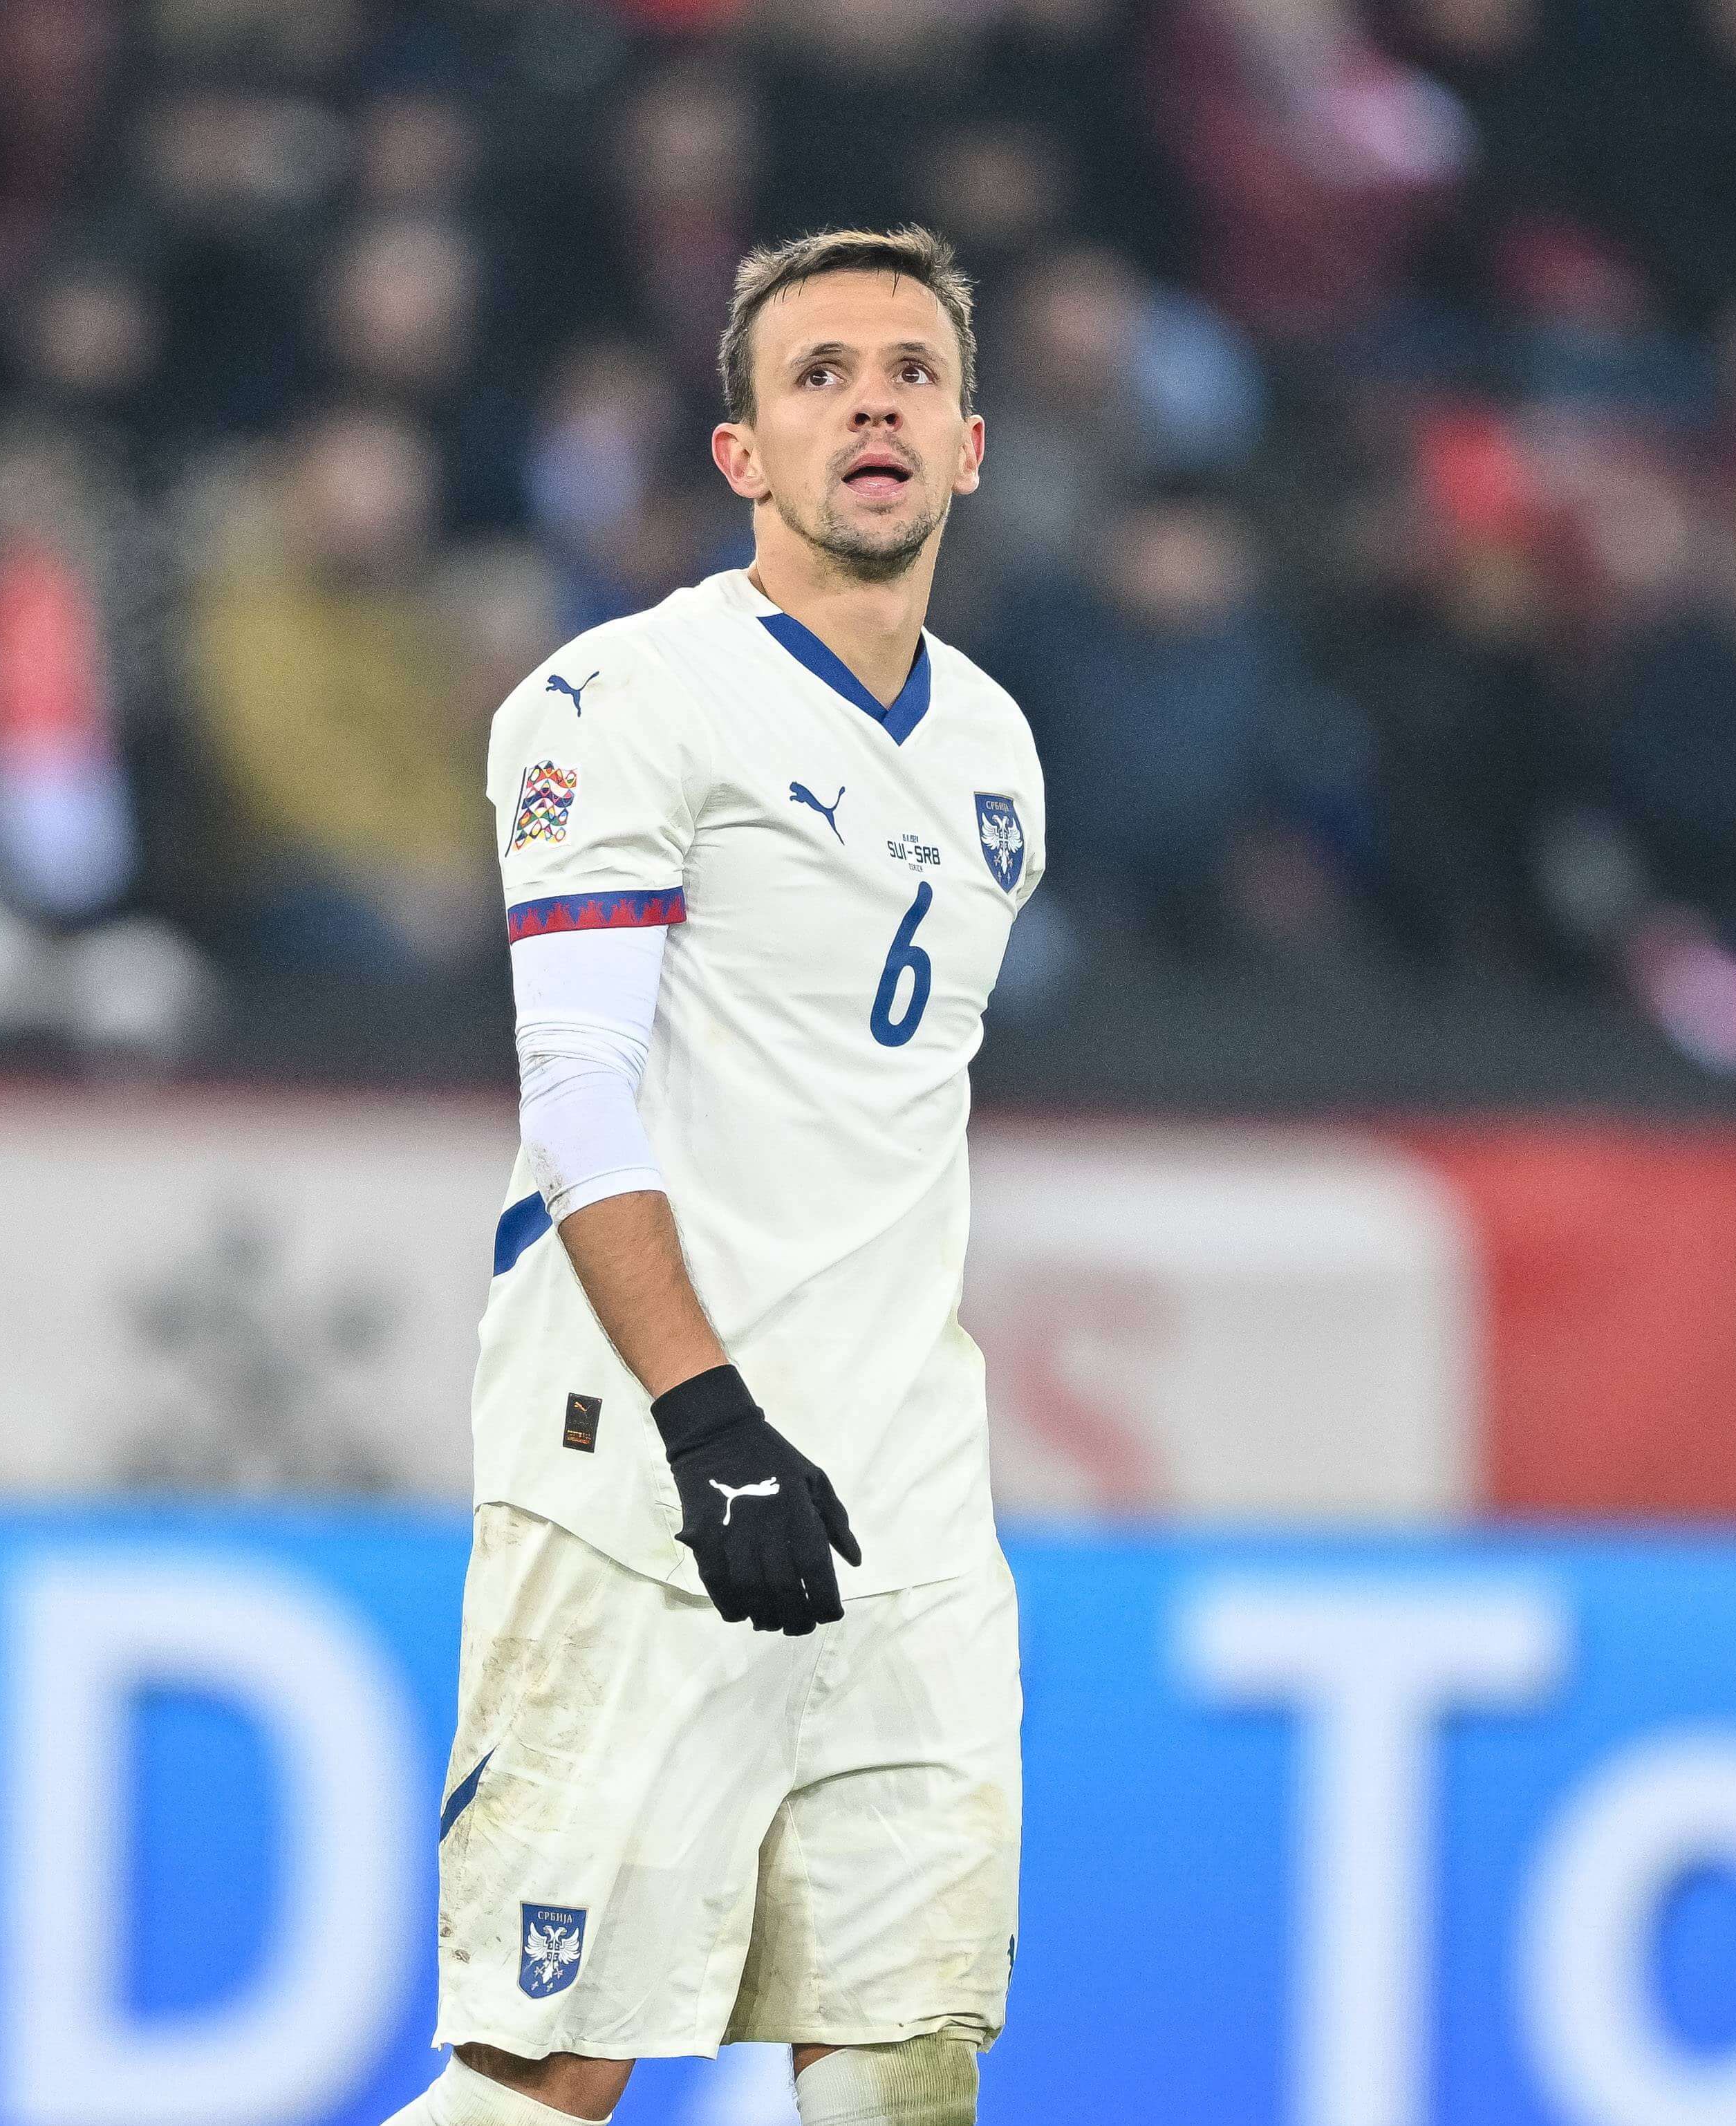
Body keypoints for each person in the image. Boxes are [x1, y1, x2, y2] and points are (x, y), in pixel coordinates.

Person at [384, 227, 1044, 2126]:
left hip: (904, 1493)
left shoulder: (996, 751)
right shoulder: (620, 703)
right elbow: (576, 1092)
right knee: (547, 2076)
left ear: (970, 445)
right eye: (818, 374)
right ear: (739, 452)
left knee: (906, 2068)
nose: (871, 406)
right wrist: (708, 1417)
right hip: (653, 1464)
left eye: (911, 374)